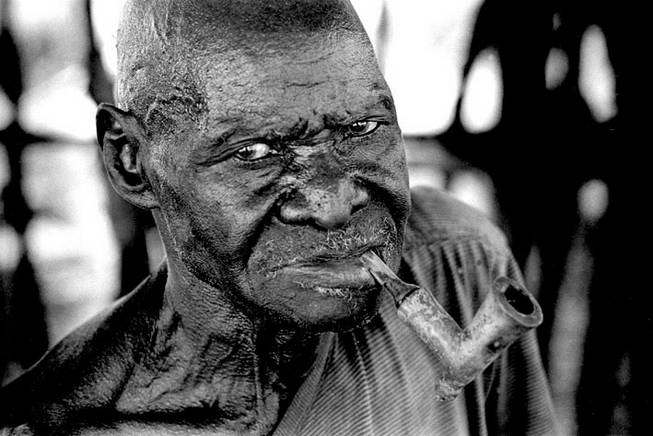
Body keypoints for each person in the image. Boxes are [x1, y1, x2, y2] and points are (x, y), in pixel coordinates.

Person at [0, 1, 559, 434]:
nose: (336, 202)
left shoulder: (456, 263)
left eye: (362, 129)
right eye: (255, 153)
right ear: (132, 163)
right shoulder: (54, 423)